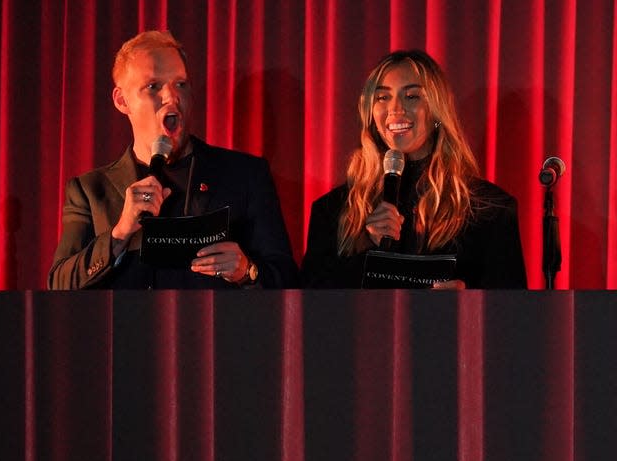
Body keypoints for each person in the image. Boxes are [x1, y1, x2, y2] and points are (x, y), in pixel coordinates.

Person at [48, 30, 297, 289]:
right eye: (153, 86)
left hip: (215, 328)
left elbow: (287, 279)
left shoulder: (245, 175)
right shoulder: (89, 190)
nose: (171, 97)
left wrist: (248, 271)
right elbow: (59, 284)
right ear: (122, 101)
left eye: (181, 84)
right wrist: (119, 235)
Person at [301, 50, 527, 288]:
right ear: (370, 114)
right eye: (382, 98)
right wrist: (365, 245)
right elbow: (310, 305)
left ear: (437, 112)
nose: (395, 109)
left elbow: (511, 313)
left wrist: (468, 304)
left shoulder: (489, 209)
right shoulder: (333, 209)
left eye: (412, 96)